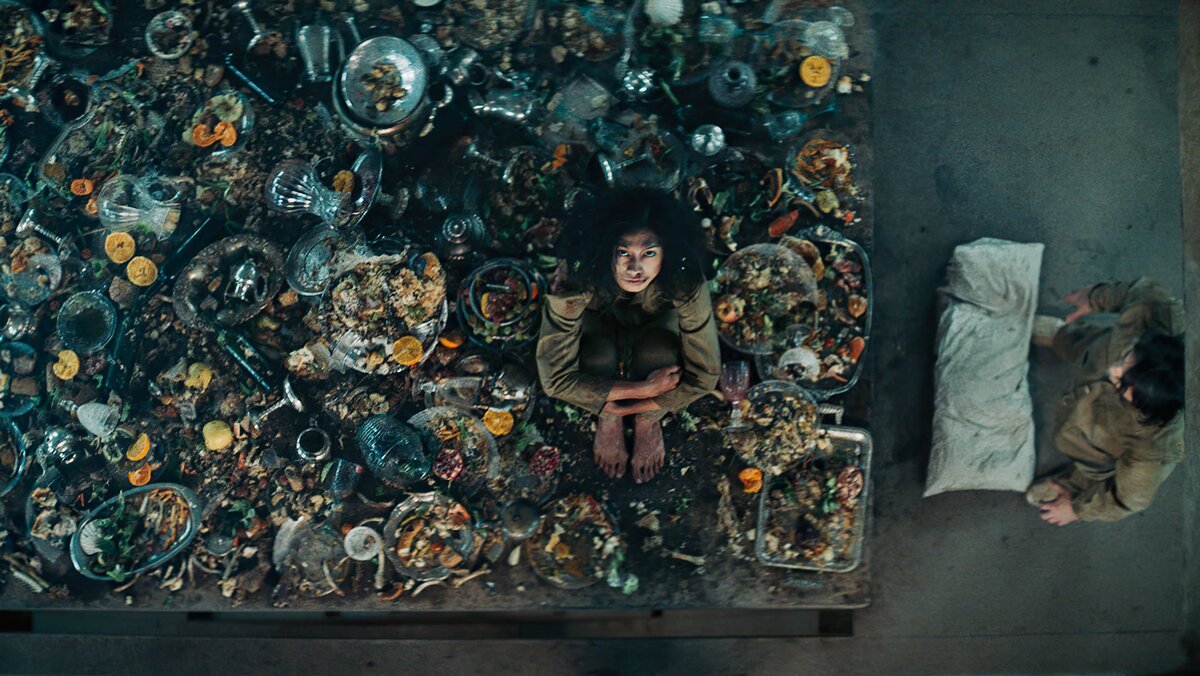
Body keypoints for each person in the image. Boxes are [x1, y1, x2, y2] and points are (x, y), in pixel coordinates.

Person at [536, 187, 721, 483]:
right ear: (604, 249)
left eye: (649, 253)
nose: (635, 268)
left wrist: (643, 409)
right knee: (598, 356)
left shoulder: (683, 277)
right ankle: (608, 418)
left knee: (658, 354)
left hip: (658, 329)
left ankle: (648, 422)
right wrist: (642, 391)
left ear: (667, 252)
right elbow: (555, 380)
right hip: (597, 328)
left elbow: (705, 375)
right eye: (623, 252)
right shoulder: (576, 276)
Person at [1028, 277, 1185, 525]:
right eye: (1126, 358)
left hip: (1096, 440)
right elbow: (1142, 291)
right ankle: (1063, 336)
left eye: (1123, 384)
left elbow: (1129, 499)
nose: (1113, 370)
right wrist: (1094, 298)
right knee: (1087, 344)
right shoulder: (1156, 313)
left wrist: (1078, 509)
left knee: (1093, 463)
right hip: (1093, 350)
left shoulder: (1152, 447)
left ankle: (1077, 483)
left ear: (1147, 408)